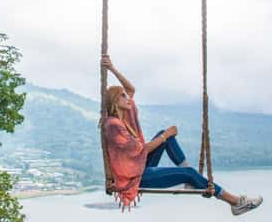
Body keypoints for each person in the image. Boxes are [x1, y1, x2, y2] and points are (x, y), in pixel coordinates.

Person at [102, 55, 263, 215]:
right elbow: (142, 149)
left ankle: (191, 179)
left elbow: (131, 89)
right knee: (185, 167)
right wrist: (166, 135)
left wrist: (112, 68)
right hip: (135, 177)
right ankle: (234, 202)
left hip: (138, 167)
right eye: (122, 95)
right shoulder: (114, 125)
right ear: (115, 101)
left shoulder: (125, 118)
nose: (127, 97)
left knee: (167, 139)